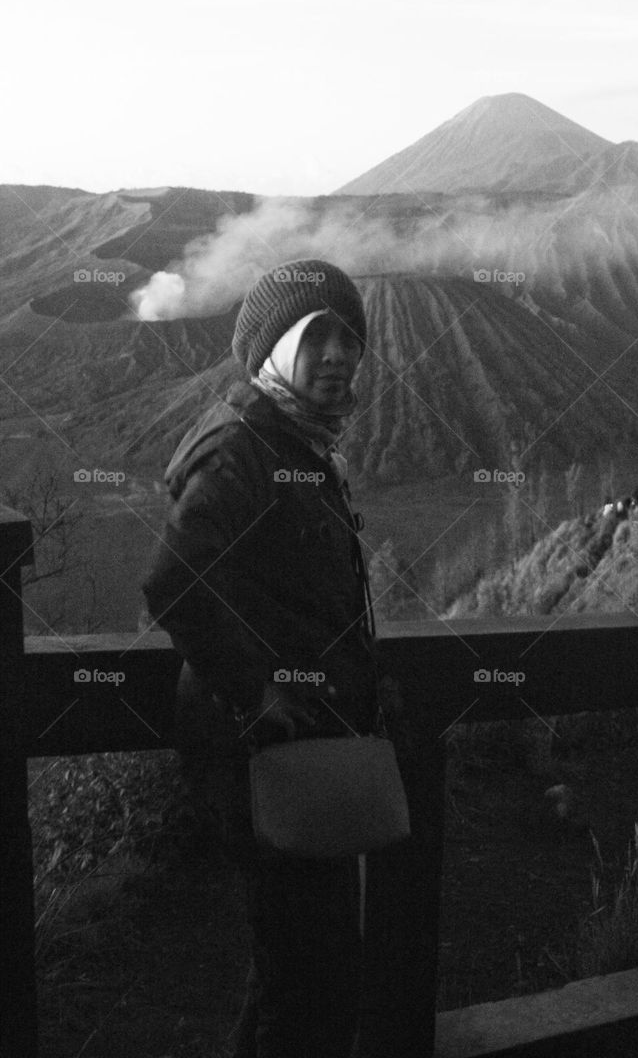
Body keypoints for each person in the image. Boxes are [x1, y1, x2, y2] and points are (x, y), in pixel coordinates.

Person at [142, 258, 382, 1058]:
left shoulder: (291, 439)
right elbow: (175, 578)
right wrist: (260, 693)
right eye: (317, 337)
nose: (338, 354)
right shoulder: (243, 444)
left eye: (349, 337)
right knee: (313, 980)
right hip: (263, 755)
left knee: (295, 972)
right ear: (274, 348)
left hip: (297, 751)